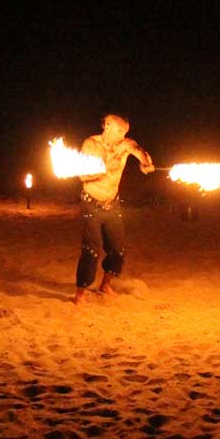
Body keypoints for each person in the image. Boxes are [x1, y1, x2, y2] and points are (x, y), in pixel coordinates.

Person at [74, 114, 154, 304]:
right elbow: (82, 176)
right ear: (107, 126)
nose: (122, 135)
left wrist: (146, 163)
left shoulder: (125, 145)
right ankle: (80, 294)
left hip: (112, 204)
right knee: (91, 250)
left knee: (118, 249)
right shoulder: (90, 145)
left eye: (125, 132)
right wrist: (104, 166)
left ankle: (105, 284)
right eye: (119, 131)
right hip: (90, 203)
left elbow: (141, 153)